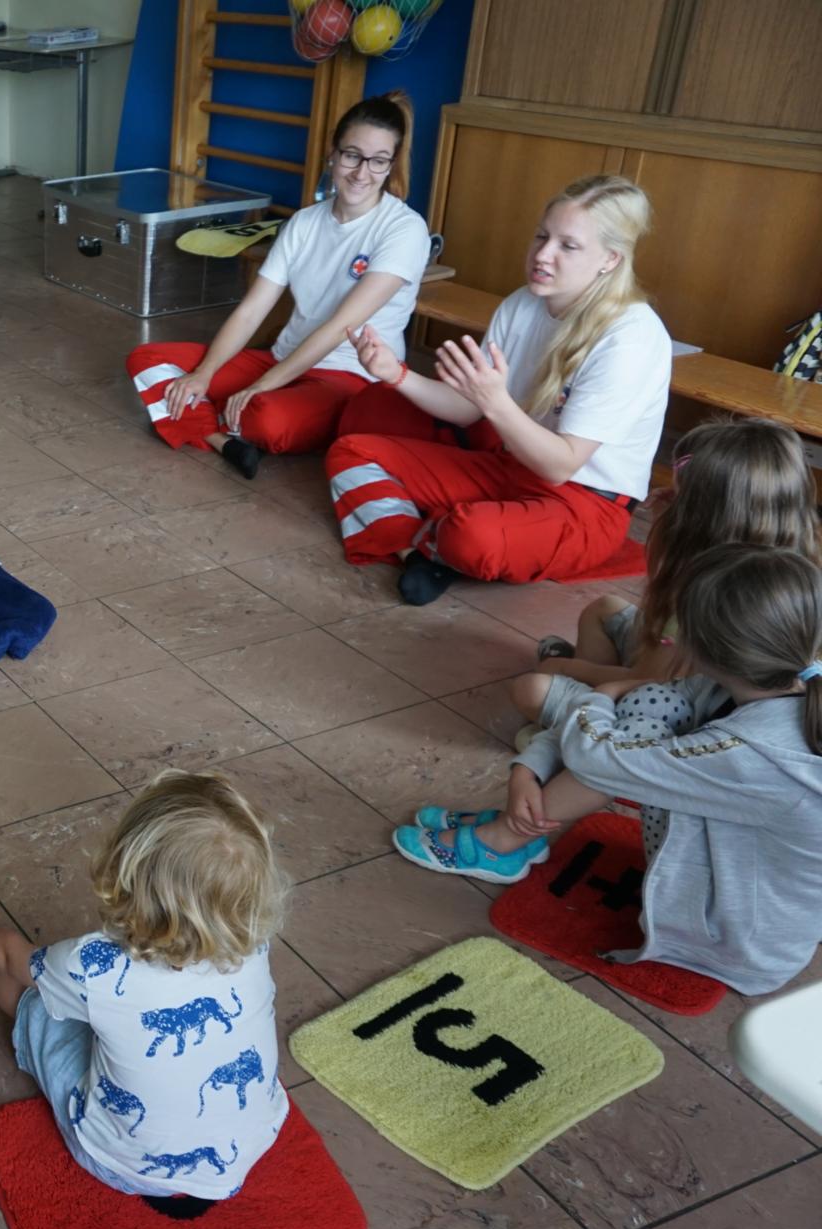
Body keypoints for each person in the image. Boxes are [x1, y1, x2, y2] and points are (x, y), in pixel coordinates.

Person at [395, 544, 822, 995]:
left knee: (631, 728)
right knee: (652, 705)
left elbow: (600, 756)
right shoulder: (787, 681)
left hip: (737, 941)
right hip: (742, 886)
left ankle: (505, 841)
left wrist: (603, 694)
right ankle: (514, 831)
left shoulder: (752, 754)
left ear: (702, 648)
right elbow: (624, 726)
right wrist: (530, 767)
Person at [0, 770, 288, 1210]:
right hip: (247, 1151)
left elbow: (8, 957)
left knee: (35, 1003)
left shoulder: (96, 966)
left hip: (121, 1165)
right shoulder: (252, 942)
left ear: (125, 871)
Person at [325, 175, 670, 605]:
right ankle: (417, 551)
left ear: (610, 260)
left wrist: (495, 401)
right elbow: (466, 410)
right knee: (352, 451)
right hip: (509, 465)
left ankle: (438, 536)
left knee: (474, 536)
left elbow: (560, 466)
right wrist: (395, 373)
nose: (543, 255)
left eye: (568, 246)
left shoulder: (630, 337)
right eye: (542, 236)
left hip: (583, 503)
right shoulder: (523, 303)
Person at [127, 93, 428, 480]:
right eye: (352, 155)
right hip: (281, 357)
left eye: (378, 161)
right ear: (332, 154)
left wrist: (261, 387)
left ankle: (189, 417)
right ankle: (222, 438)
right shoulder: (304, 222)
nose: (361, 172)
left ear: (390, 165)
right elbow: (252, 311)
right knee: (147, 360)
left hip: (347, 377)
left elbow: (339, 329)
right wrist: (206, 371)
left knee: (265, 419)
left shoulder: (405, 230)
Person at [515, 418, 818, 746]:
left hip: (685, 710)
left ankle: (592, 733)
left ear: (697, 522)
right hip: (687, 679)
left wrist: (565, 667)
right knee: (604, 609)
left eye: (677, 498)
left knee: (532, 689)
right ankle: (587, 708)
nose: (664, 500)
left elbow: (647, 680)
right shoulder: (790, 567)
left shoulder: (703, 594)